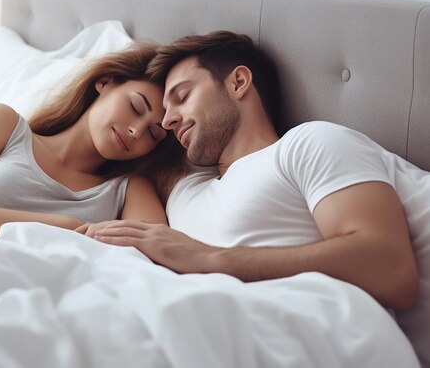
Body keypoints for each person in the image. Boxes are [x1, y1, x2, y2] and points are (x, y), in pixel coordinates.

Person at [77, 30, 425, 312]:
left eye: (181, 97)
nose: (167, 121)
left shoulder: (306, 145)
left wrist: (207, 258)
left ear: (239, 82)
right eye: (163, 117)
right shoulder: (182, 191)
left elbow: (391, 269)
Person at [0, 42, 185, 236]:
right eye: (136, 108)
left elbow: (152, 254)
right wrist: (60, 225)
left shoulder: (129, 189)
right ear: (106, 83)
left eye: (154, 133)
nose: (136, 131)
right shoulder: (4, 125)